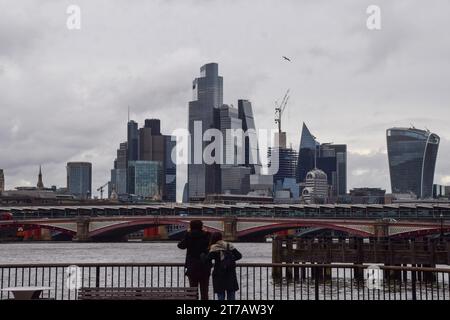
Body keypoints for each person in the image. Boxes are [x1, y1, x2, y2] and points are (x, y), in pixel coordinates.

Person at [177, 220, 211, 300]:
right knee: (204, 291)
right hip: (205, 266)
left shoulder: (189, 235)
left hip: (192, 266)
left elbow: (181, 246)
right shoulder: (207, 235)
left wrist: (187, 234)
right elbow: (212, 244)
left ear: (191, 226)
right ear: (201, 226)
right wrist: (207, 232)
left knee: (192, 291)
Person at [207, 232, 242, 300]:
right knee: (231, 293)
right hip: (230, 273)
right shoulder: (229, 245)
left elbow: (208, 259)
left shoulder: (214, 248)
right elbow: (239, 256)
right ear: (221, 237)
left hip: (219, 273)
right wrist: (230, 260)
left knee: (220, 295)